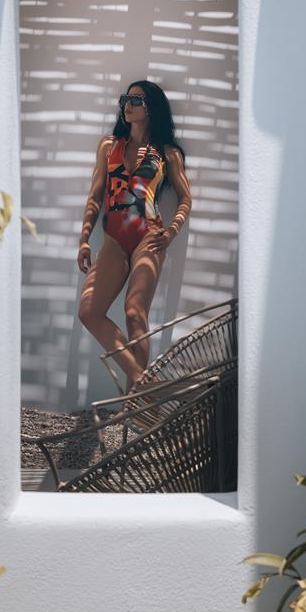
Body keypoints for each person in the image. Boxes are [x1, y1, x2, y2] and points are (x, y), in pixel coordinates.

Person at [77, 80, 192, 391]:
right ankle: (145, 385)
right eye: (125, 99)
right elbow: (95, 196)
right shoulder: (108, 146)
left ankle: (136, 404)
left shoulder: (167, 153)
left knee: (134, 313)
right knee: (89, 312)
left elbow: (185, 198)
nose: (127, 105)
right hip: (114, 241)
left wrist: (171, 232)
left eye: (136, 100)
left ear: (151, 108)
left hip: (149, 236)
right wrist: (84, 239)